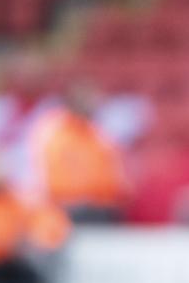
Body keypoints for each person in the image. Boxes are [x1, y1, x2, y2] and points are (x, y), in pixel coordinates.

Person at [29, 85, 128, 223]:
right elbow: (45, 174)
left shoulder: (99, 134)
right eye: (88, 99)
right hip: (67, 208)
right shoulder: (55, 133)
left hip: (102, 207)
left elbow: (115, 173)